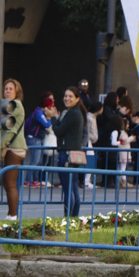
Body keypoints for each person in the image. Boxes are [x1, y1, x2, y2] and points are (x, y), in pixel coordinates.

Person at [47, 86, 87, 217]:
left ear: (77, 99)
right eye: (65, 96)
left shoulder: (73, 113)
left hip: (67, 154)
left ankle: (69, 217)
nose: (67, 98)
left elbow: (58, 131)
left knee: (69, 189)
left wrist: (53, 118)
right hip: (72, 154)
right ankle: (73, 217)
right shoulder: (74, 112)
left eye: (70, 96)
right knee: (73, 187)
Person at [0, 78, 27, 220]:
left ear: (17, 92)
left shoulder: (15, 104)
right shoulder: (10, 104)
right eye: (6, 88)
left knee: (9, 183)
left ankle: (12, 215)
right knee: (8, 182)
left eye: (11, 89)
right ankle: (11, 214)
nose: (8, 91)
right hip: (14, 147)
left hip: (14, 147)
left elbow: (9, 131)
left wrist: (1, 147)